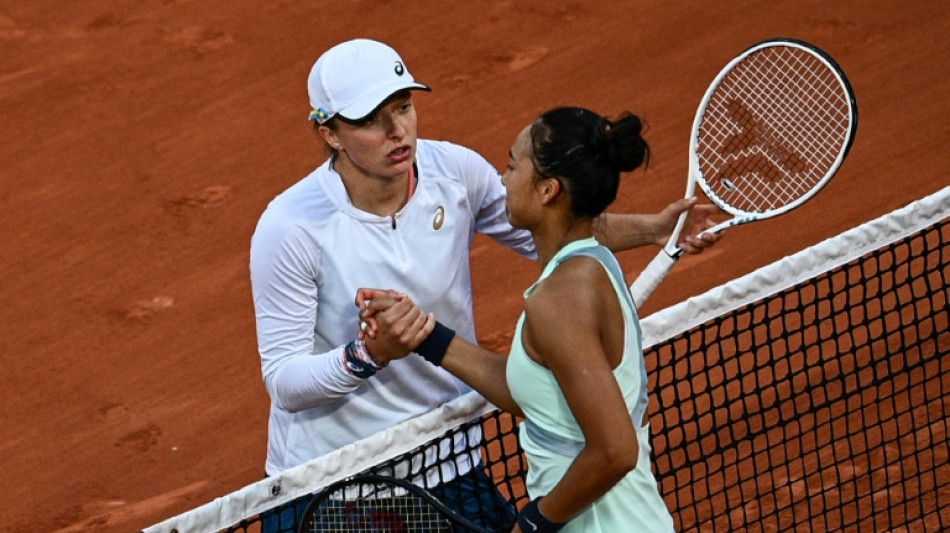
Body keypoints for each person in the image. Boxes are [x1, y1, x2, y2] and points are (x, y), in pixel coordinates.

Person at [249, 38, 717, 531]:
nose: (397, 130)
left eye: (404, 107)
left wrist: (656, 229)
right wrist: (368, 354)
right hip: (337, 487)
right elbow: (284, 382)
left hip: (447, 461)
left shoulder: (453, 172)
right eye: (370, 120)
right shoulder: (291, 228)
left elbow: (554, 220)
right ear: (330, 133)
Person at [359, 106, 679, 532]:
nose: (503, 179)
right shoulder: (593, 263)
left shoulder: (559, 299)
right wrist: (426, 335)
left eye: (512, 166)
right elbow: (537, 395)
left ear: (548, 190)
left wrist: (534, 523)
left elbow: (616, 449)